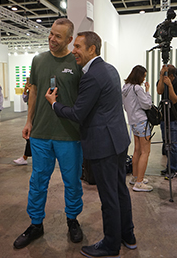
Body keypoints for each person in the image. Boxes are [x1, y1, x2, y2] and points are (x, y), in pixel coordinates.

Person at [45, 31, 136, 258]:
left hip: (103, 144)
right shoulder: (110, 69)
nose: (73, 51)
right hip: (118, 140)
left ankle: (111, 245)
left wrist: (54, 104)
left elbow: (77, 113)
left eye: (77, 47)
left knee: (109, 197)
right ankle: (128, 236)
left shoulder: (92, 75)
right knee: (120, 190)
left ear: (92, 49)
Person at [13, 18, 83, 250]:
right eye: (51, 34)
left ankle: (72, 220)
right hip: (41, 133)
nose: (52, 39)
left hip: (69, 134)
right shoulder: (39, 59)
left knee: (72, 182)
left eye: (58, 36)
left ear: (70, 40)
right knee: (37, 181)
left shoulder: (77, 61)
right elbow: (33, 92)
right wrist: (29, 121)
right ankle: (36, 224)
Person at [122, 65, 153, 192]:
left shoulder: (125, 88)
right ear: (139, 75)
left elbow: (125, 107)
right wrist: (147, 91)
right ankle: (139, 182)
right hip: (141, 121)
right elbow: (147, 105)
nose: (143, 79)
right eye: (143, 76)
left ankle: (135, 177)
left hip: (133, 122)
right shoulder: (137, 88)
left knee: (137, 150)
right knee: (145, 152)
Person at [157, 64, 177, 179]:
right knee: (167, 144)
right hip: (164, 117)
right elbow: (159, 91)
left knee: (173, 145)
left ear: (170, 75)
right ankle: (169, 167)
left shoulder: (175, 82)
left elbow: (174, 99)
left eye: (165, 73)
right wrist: (160, 76)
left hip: (174, 118)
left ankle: (173, 168)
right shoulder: (161, 80)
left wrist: (169, 86)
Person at [14, 78, 32, 165]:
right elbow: (25, 99)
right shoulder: (31, 91)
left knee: (30, 138)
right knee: (30, 137)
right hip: (32, 117)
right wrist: (26, 89)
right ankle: (25, 157)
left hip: (37, 117)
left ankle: (25, 157)